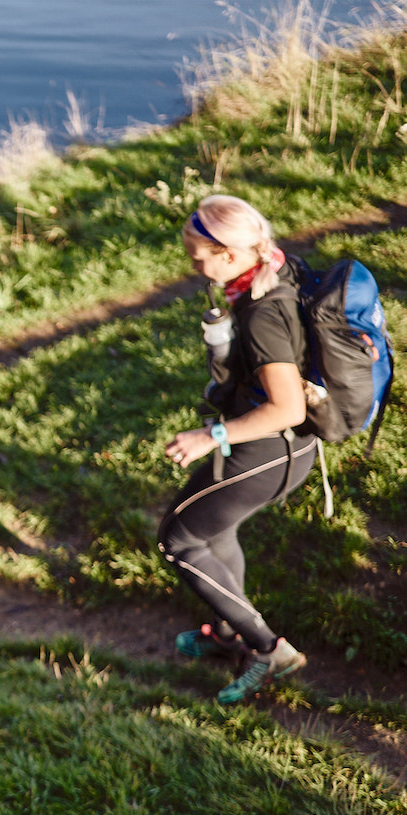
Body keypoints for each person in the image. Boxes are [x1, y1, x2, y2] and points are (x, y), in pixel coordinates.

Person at [158, 194, 314, 705]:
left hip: (266, 455)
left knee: (178, 540)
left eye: (197, 254)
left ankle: (269, 650)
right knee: (215, 528)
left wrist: (211, 436)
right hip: (284, 452)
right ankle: (228, 634)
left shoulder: (265, 314)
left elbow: (287, 406)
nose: (192, 264)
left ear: (228, 253)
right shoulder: (273, 268)